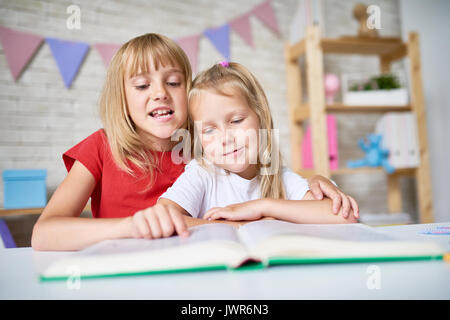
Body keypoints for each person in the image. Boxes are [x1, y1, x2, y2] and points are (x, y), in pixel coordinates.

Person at [31, 33, 357, 251]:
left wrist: (315, 180)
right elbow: (45, 234)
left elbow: (260, 177)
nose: (160, 92)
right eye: (142, 86)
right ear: (122, 98)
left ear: (187, 93)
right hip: (122, 266)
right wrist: (132, 226)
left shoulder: (203, 151)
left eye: (173, 82)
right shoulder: (101, 147)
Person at [158, 61, 359, 224]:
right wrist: (240, 225)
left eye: (236, 121)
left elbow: (345, 217)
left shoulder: (277, 176)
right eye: (209, 130)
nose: (226, 139)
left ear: (260, 117)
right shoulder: (202, 173)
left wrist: (263, 206)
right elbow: (163, 217)